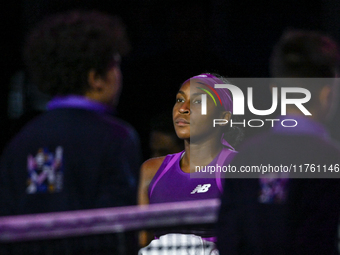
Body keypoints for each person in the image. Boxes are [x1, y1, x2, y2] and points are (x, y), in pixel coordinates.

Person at [0, 10, 141, 254]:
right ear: (95, 78)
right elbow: (119, 229)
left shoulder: (19, 142)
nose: (119, 75)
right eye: (115, 64)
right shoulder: (117, 137)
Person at [216, 30, 340, 255]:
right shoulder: (331, 159)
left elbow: (229, 239)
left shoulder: (243, 157)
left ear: (275, 92)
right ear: (328, 94)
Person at [138, 73, 243, 254]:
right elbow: (141, 242)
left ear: (223, 118)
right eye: (179, 99)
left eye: (197, 102)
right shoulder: (150, 171)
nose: (183, 108)